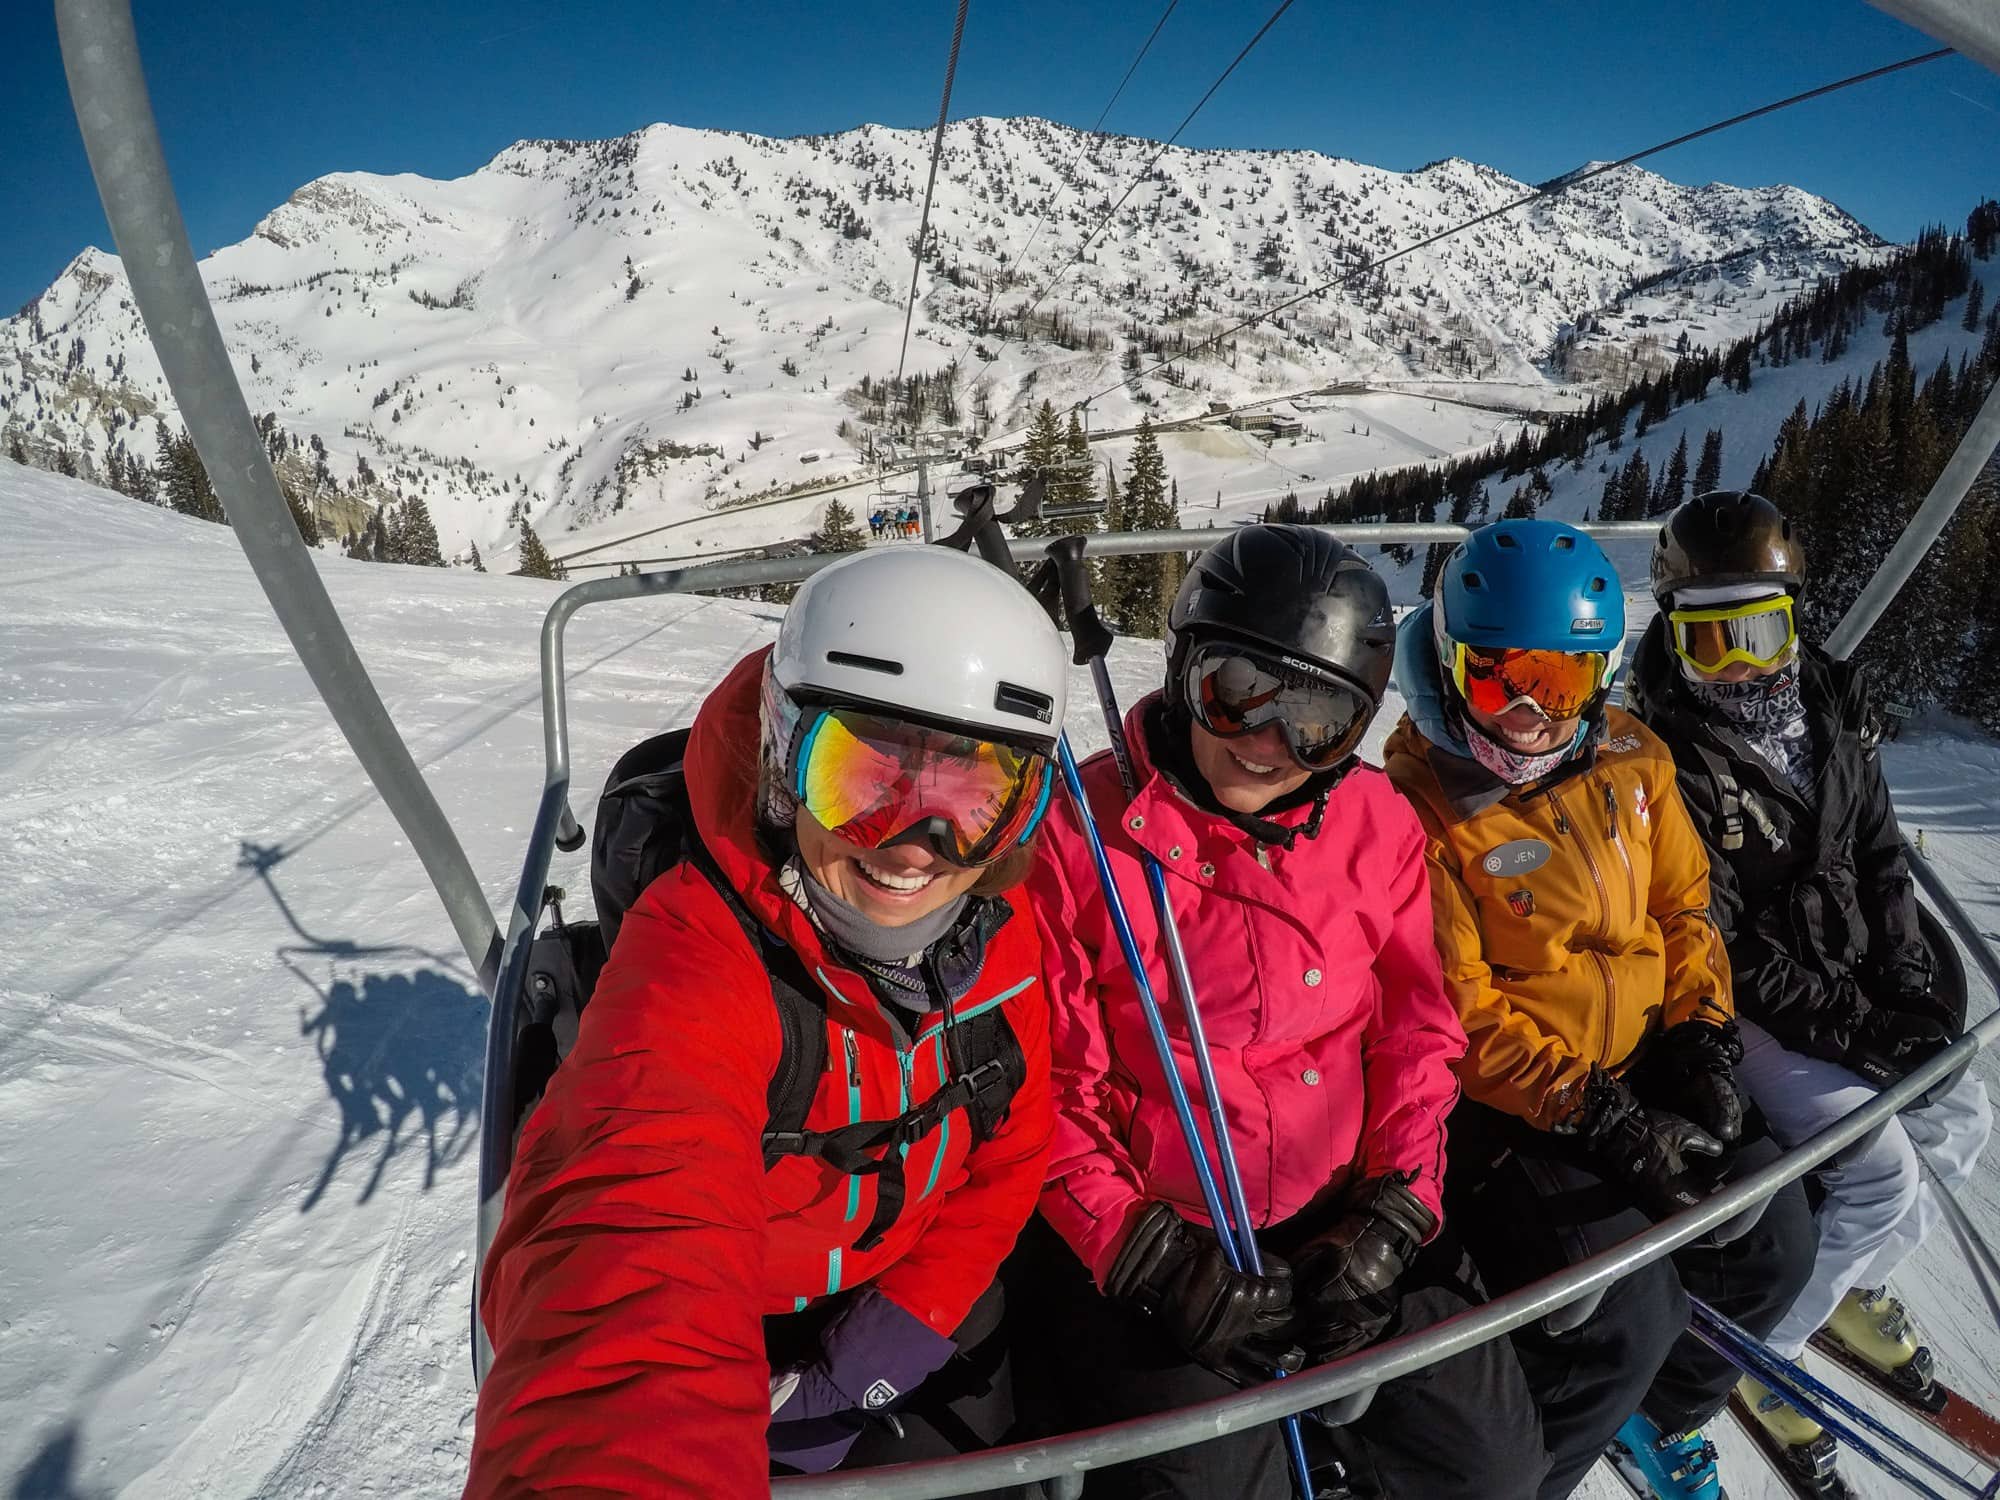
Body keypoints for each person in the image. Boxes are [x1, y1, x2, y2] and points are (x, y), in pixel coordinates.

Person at [465, 545, 1070, 1497]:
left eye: (973, 796)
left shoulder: (995, 933)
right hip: (731, 1330)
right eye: (861, 777)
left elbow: (1011, 1150)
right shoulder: (695, 957)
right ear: (786, 762)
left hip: (915, 1292)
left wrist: (885, 1342)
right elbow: (627, 1251)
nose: (916, 847)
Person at [1010, 525, 1550, 1499]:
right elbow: (1049, 1091)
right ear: (1182, 671)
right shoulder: (1079, 839)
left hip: (1343, 1218)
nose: (1266, 744)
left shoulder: (1375, 821)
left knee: (1492, 1458)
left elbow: (1415, 1034)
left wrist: (1395, 1208)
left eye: (1317, 722)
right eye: (1238, 692)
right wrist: (1140, 1249)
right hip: (1167, 1247)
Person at [1381, 518, 1817, 1500]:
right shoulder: (1420, 807)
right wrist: (1598, 1117)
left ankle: (1657, 1417)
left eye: (1562, 682)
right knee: (1622, 1313)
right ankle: (1536, 1467)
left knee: (1772, 1242)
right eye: (1500, 680)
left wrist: (1700, 1039)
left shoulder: (1631, 754)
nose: (1531, 714)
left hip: (1645, 1056)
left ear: (1600, 677)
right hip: (1519, 1105)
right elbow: (1457, 1011)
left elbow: (1683, 907)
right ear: (1450, 667)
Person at [1629, 490, 1992, 1485]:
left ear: (1795, 620)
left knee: (1958, 1118)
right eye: (1712, 643)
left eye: (1763, 632)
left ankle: (1833, 1291)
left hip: (1832, 990)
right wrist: (1856, 1035)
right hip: (1742, 1010)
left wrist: (1908, 993)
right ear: (1673, 637)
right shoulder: (1664, 756)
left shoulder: (1827, 703)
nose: (1741, 667)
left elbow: (1879, 860)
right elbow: (1723, 945)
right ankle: (1764, 1362)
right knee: (1878, 1175)